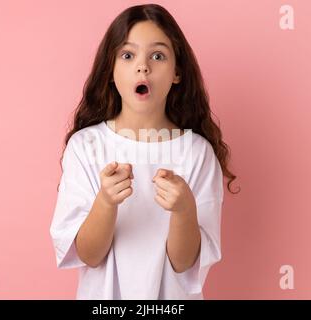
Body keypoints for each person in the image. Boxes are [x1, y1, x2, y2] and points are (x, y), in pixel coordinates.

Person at [50, 3, 239, 300]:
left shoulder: (197, 153)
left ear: (177, 73)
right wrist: (105, 203)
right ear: (111, 70)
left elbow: (184, 262)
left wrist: (184, 210)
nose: (143, 66)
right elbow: (89, 255)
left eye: (158, 55)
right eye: (128, 55)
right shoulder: (86, 147)